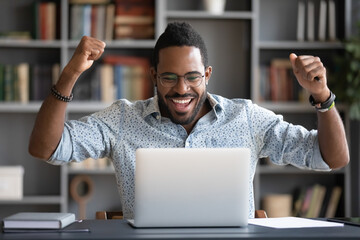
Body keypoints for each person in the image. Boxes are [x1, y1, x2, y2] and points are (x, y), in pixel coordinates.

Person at [28, 22, 349, 219]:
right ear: (153, 75)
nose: (181, 89)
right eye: (169, 77)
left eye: (192, 77)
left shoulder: (247, 118)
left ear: (207, 75)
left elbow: (332, 158)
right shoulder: (123, 119)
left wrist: (323, 96)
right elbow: (46, 148)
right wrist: (70, 75)